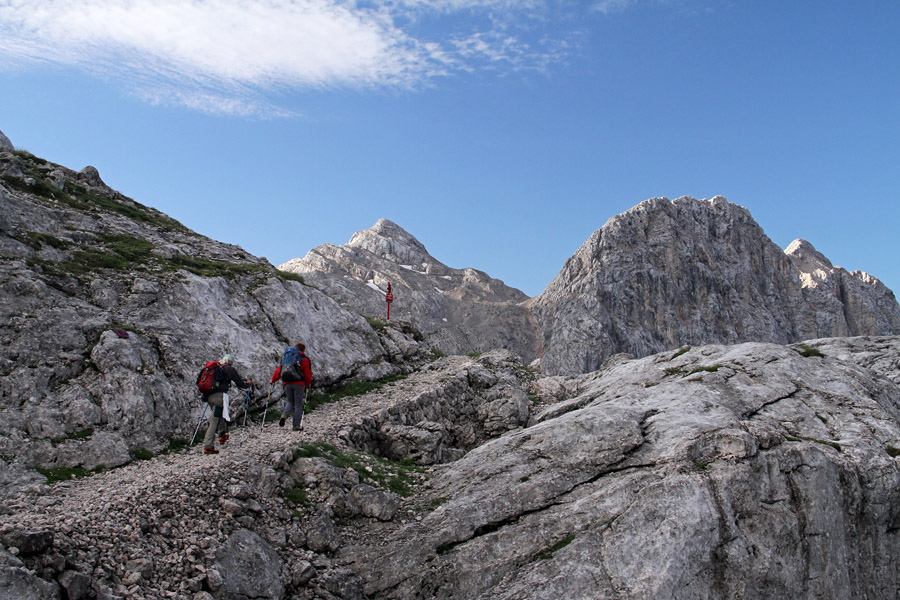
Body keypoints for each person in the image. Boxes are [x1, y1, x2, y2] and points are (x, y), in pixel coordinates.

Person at [202, 354, 252, 454]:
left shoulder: (216, 368)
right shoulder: (229, 369)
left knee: (219, 415)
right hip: (219, 397)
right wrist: (248, 384)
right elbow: (240, 384)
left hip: (209, 397)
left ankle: (222, 435)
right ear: (230, 362)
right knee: (215, 420)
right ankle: (208, 446)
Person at [269, 342, 313, 431]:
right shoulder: (304, 358)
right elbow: (307, 373)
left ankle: (284, 415)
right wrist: (308, 384)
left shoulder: (288, 358)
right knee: (298, 404)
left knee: (290, 401)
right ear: (303, 350)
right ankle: (296, 425)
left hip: (287, 383)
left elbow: (279, 370)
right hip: (299, 384)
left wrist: (273, 380)